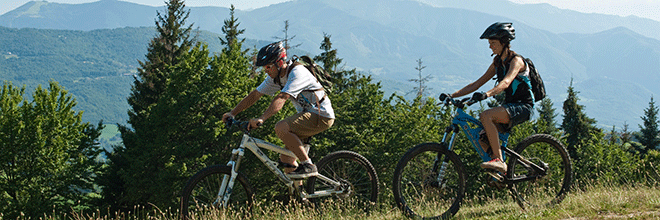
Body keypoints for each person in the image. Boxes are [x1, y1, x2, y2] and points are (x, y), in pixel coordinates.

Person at [222, 42, 335, 179]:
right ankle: (300, 198)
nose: (265, 70)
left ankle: (308, 165)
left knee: (281, 127)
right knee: (287, 160)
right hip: (307, 115)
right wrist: (233, 113)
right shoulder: (275, 77)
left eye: (268, 66)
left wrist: (262, 118)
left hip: (321, 115)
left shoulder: (297, 73)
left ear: (280, 62)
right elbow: (255, 95)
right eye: (264, 67)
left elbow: (282, 97)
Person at [440, 22, 534, 173]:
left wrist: (487, 94)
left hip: (523, 107)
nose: (490, 46)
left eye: (493, 43)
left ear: (504, 43)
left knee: (486, 115)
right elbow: (476, 83)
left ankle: (499, 160)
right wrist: (452, 95)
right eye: (489, 43)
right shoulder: (497, 62)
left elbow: (506, 82)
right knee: (480, 136)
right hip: (510, 107)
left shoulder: (517, 61)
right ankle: (500, 175)